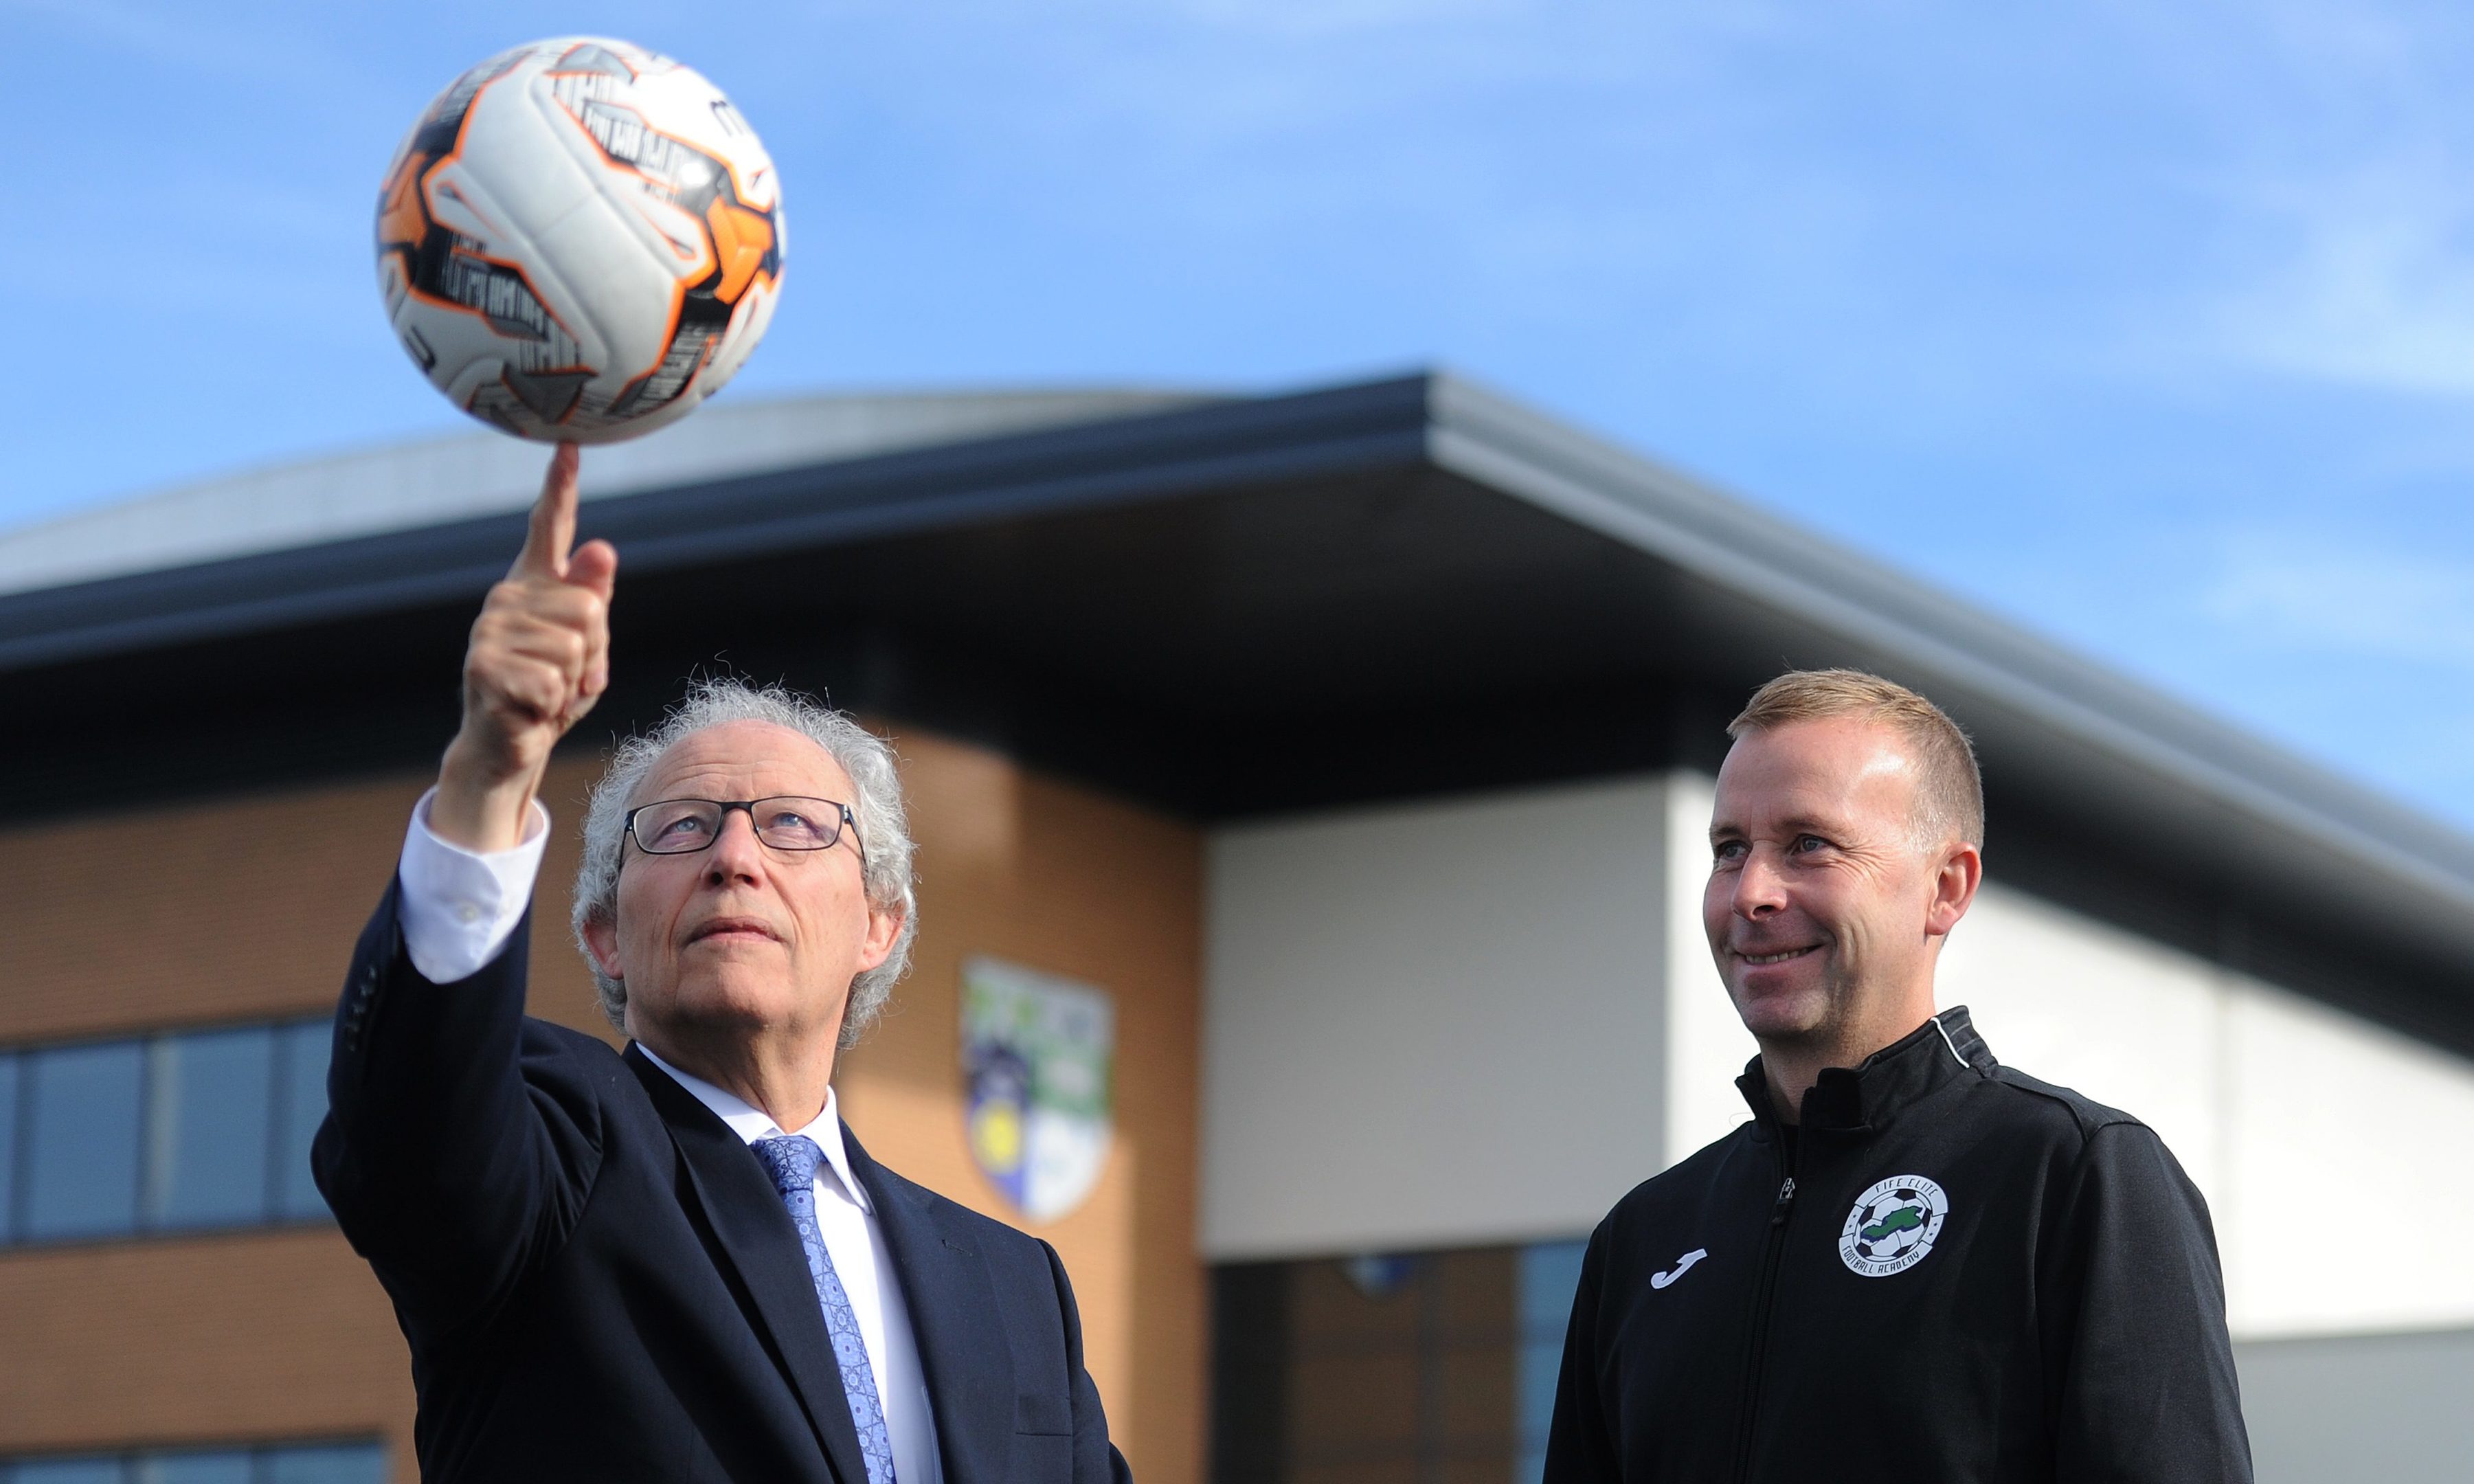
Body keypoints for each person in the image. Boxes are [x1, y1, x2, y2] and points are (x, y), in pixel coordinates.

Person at [313, 446, 1131, 1484]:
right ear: (605, 934)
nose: (735, 858)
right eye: (682, 828)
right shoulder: (554, 1159)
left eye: (793, 826)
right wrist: (489, 770)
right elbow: (412, 1123)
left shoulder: (1017, 1287)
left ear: (879, 925)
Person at [1544, 669, 2251, 1483]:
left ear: (1945, 888)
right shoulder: (1644, 1239)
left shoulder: (2073, 1176)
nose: (1752, 893)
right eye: (1729, 849)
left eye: (1809, 844)